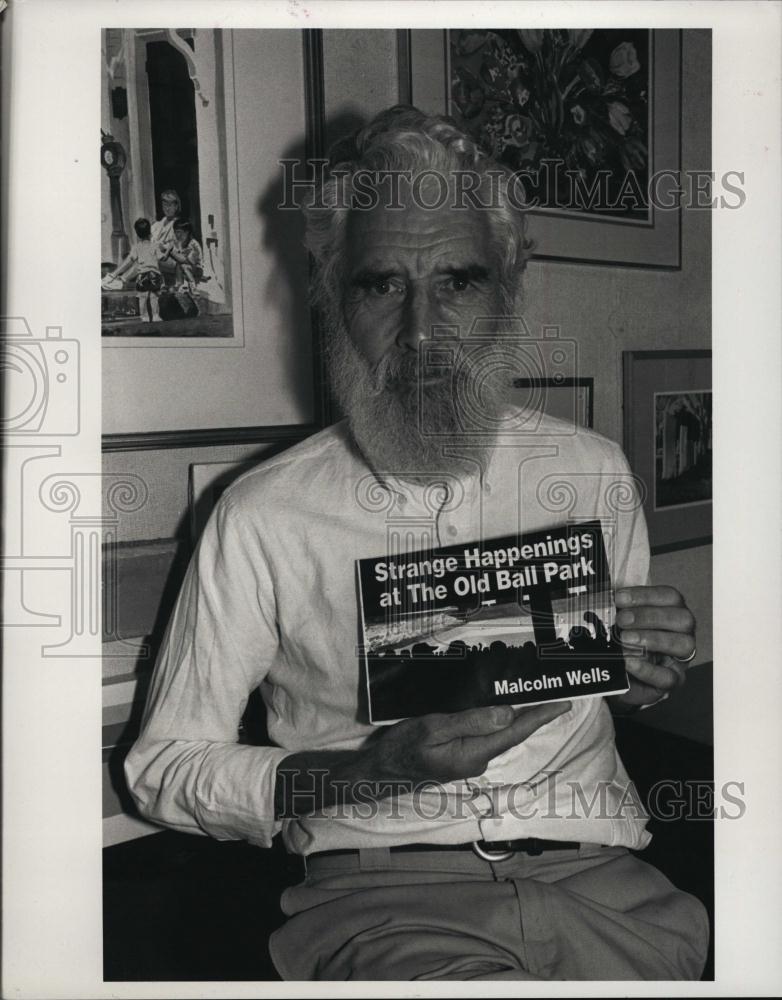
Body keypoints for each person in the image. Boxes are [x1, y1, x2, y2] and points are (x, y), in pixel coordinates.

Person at [125, 106, 708, 980]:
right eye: (381, 284)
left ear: (509, 286)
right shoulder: (260, 515)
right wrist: (369, 770)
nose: (423, 331)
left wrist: (648, 671)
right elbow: (163, 769)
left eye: (458, 282)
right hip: (384, 903)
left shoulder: (591, 471)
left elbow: (610, 690)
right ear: (332, 293)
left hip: (613, 890)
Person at [103, 217, 166, 322]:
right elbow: (161, 258)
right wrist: (167, 250)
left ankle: (144, 316)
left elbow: (131, 260)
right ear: (150, 231)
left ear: (137, 234)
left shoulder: (136, 247)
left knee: (142, 297)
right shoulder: (155, 246)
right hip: (155, 275)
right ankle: (155, 316)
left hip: (143, 276)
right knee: (154, 297)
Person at [168, 218, 204, 316]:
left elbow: (186, 261)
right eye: (175, 232)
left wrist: (171, 252)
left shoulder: (194, 245)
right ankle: (179, 285)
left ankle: (192, 286)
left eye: (179, 232)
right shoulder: (179, 243)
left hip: (196, 269)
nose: (177, 235)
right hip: (185, 270)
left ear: (187, 232)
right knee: (179, 265)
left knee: (183, 265)